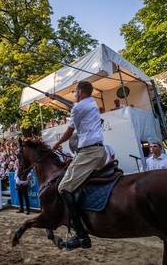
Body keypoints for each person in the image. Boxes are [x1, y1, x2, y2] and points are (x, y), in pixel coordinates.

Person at [52, 81, 106, 250]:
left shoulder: (79, 107)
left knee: (63, 187)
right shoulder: (91, 103)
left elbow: (69, 131)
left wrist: (57, 143)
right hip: (98, 151)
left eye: (75, 92)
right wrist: (56, 98)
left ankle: (81, 236)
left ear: (81, 93)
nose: (74, 94)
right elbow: (73, 106)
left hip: (88, 152)